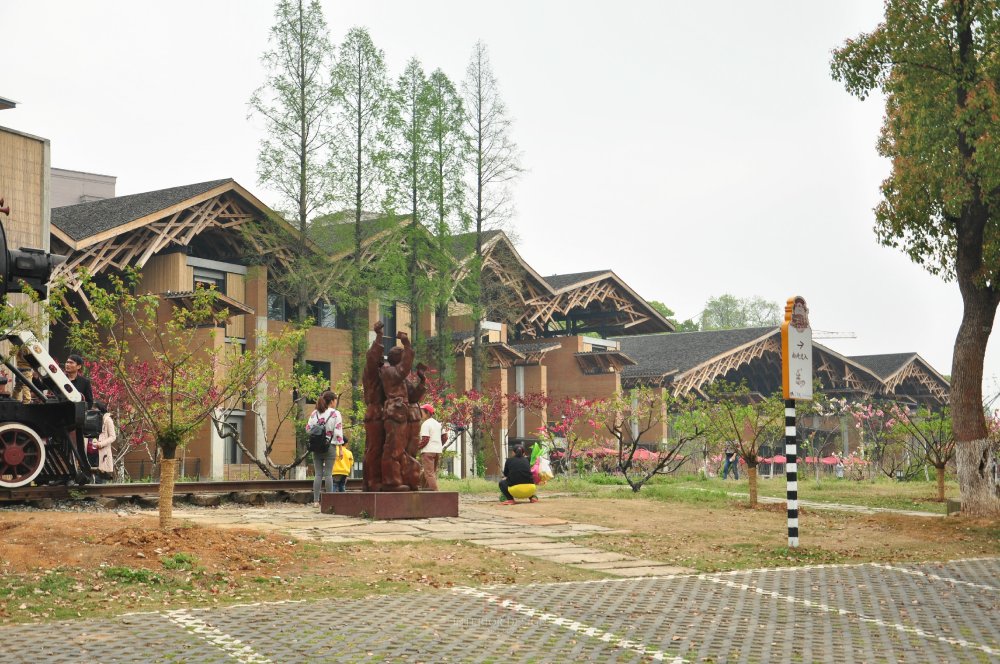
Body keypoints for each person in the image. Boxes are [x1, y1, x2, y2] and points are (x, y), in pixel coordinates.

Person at [307, 392, 343, 505]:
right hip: (330, 446)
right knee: (328, 474)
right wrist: (340, 449)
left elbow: (308, 429)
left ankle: (316, 501)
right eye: (335, 400)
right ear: (332, 401)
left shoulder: (314, 413)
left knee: (318, 474)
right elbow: (338, 433)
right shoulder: (335, 414)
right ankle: (329, 501)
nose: (336, 402)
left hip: (316, 447)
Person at [88, 401, 116, 484]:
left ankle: (99, 494)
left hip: (101, 452)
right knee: (88, 474)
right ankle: (89, 495)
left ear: (100, 410)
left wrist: (101, 444)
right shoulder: (90, 419)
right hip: (90, 450)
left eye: (95, 409)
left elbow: (113, 437)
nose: (93, 411)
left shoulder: (108, 420)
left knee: (100, 476)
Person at [418, 404, 444, 491]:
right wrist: (438, 445)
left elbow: (425, 439)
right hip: (437, 452)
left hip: (428, 451)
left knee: (429, 474)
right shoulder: (438, 424)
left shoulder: (425, 424)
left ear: (427, 413)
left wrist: (417, 447)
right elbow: (445, 437)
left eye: (421, 412)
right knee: (428, 472)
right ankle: (421, 487)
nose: (420, 414)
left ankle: (436, 493)